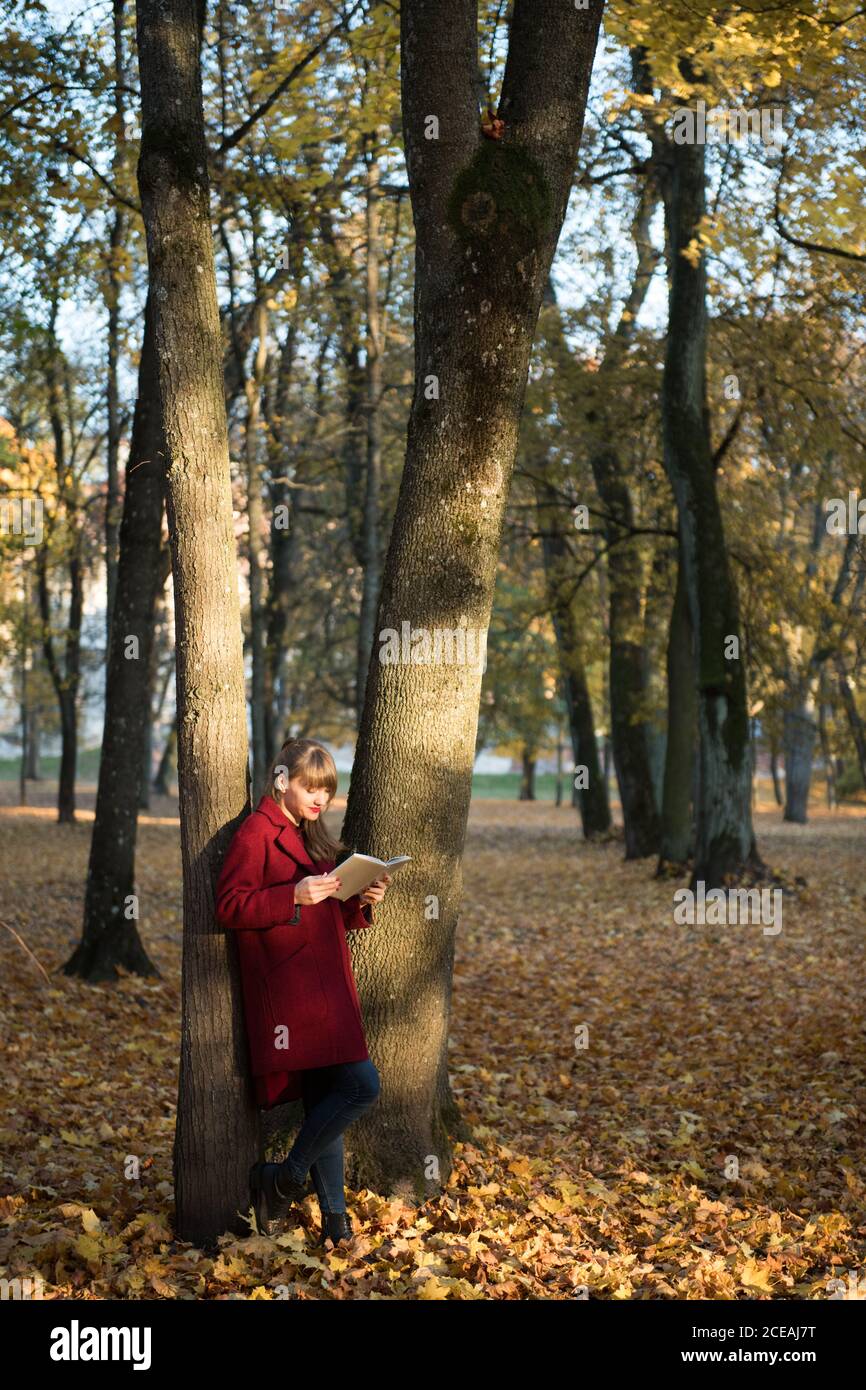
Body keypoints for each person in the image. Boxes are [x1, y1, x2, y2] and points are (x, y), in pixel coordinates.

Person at [215, 737, 392, 1246]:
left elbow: (328, 906)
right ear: (281, 781)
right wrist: (289, 895)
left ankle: (335, 1223)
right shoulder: (257, 831)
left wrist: (360, 897)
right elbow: (229, 905)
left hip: (327, 988)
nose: (320, 800)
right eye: (310, 788)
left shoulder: (311, 834)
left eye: (327, 791)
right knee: (362, 1086)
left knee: (328, 1097)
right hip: (289, 993)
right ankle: (285, 1179)